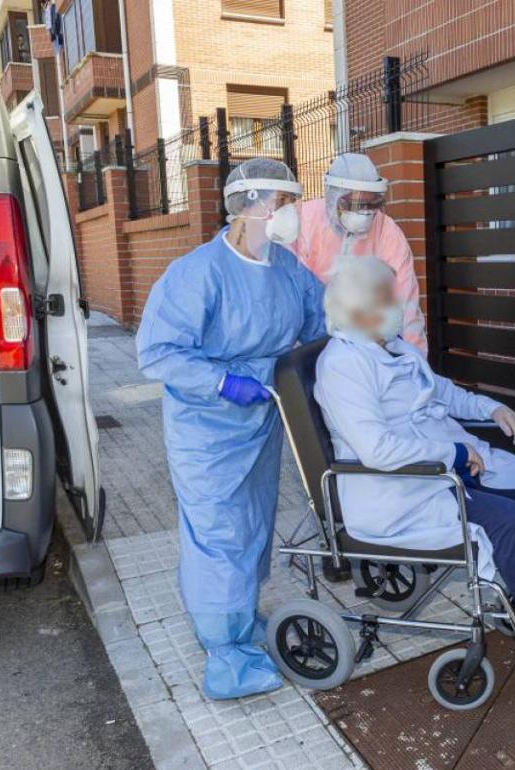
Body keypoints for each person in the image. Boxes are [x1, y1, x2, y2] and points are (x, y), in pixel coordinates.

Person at [312, 256, 515, 662]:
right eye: (389, 300)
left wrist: (489, 407)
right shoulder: (342, 366)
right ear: (357, 311)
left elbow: (441, 392)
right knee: (506, 518)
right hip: (402, 487)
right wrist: (454, 452)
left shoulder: (392, 348)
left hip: (447, 465)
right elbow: (377, 449)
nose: (399, 307)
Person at [136, 158, 327, 699]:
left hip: (264, 418)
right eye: (283, 202)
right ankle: (224, 655)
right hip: (207, 425)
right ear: (252, 205)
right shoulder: (196, 273)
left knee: (252, 523)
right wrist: (222, 384)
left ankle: (238, 621)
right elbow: (157, 352)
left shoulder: (287, 268)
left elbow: (321, 319)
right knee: (218, 529)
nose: (291, 213)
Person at [294, 153, 428, 354]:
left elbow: (404, 300)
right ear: (333, 197)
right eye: (354, 202)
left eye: (370, 203)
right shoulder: (305, 221)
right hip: (309, 345)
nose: (363, 211)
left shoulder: (386, 230)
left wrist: (415, 360)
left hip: (370, 343)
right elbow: (295, 294)